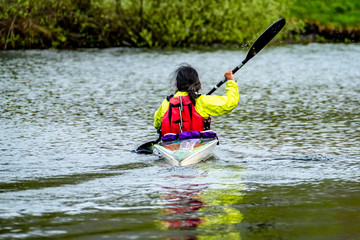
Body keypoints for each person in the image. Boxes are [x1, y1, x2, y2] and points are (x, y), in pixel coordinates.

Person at [154, 63, 239, 136]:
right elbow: (231, 102)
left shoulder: (167, 103)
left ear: (177, 83)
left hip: (171, 144)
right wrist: (230, 81)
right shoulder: (201, 101)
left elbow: (157, 124)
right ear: (197, 82)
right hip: (196, 143)